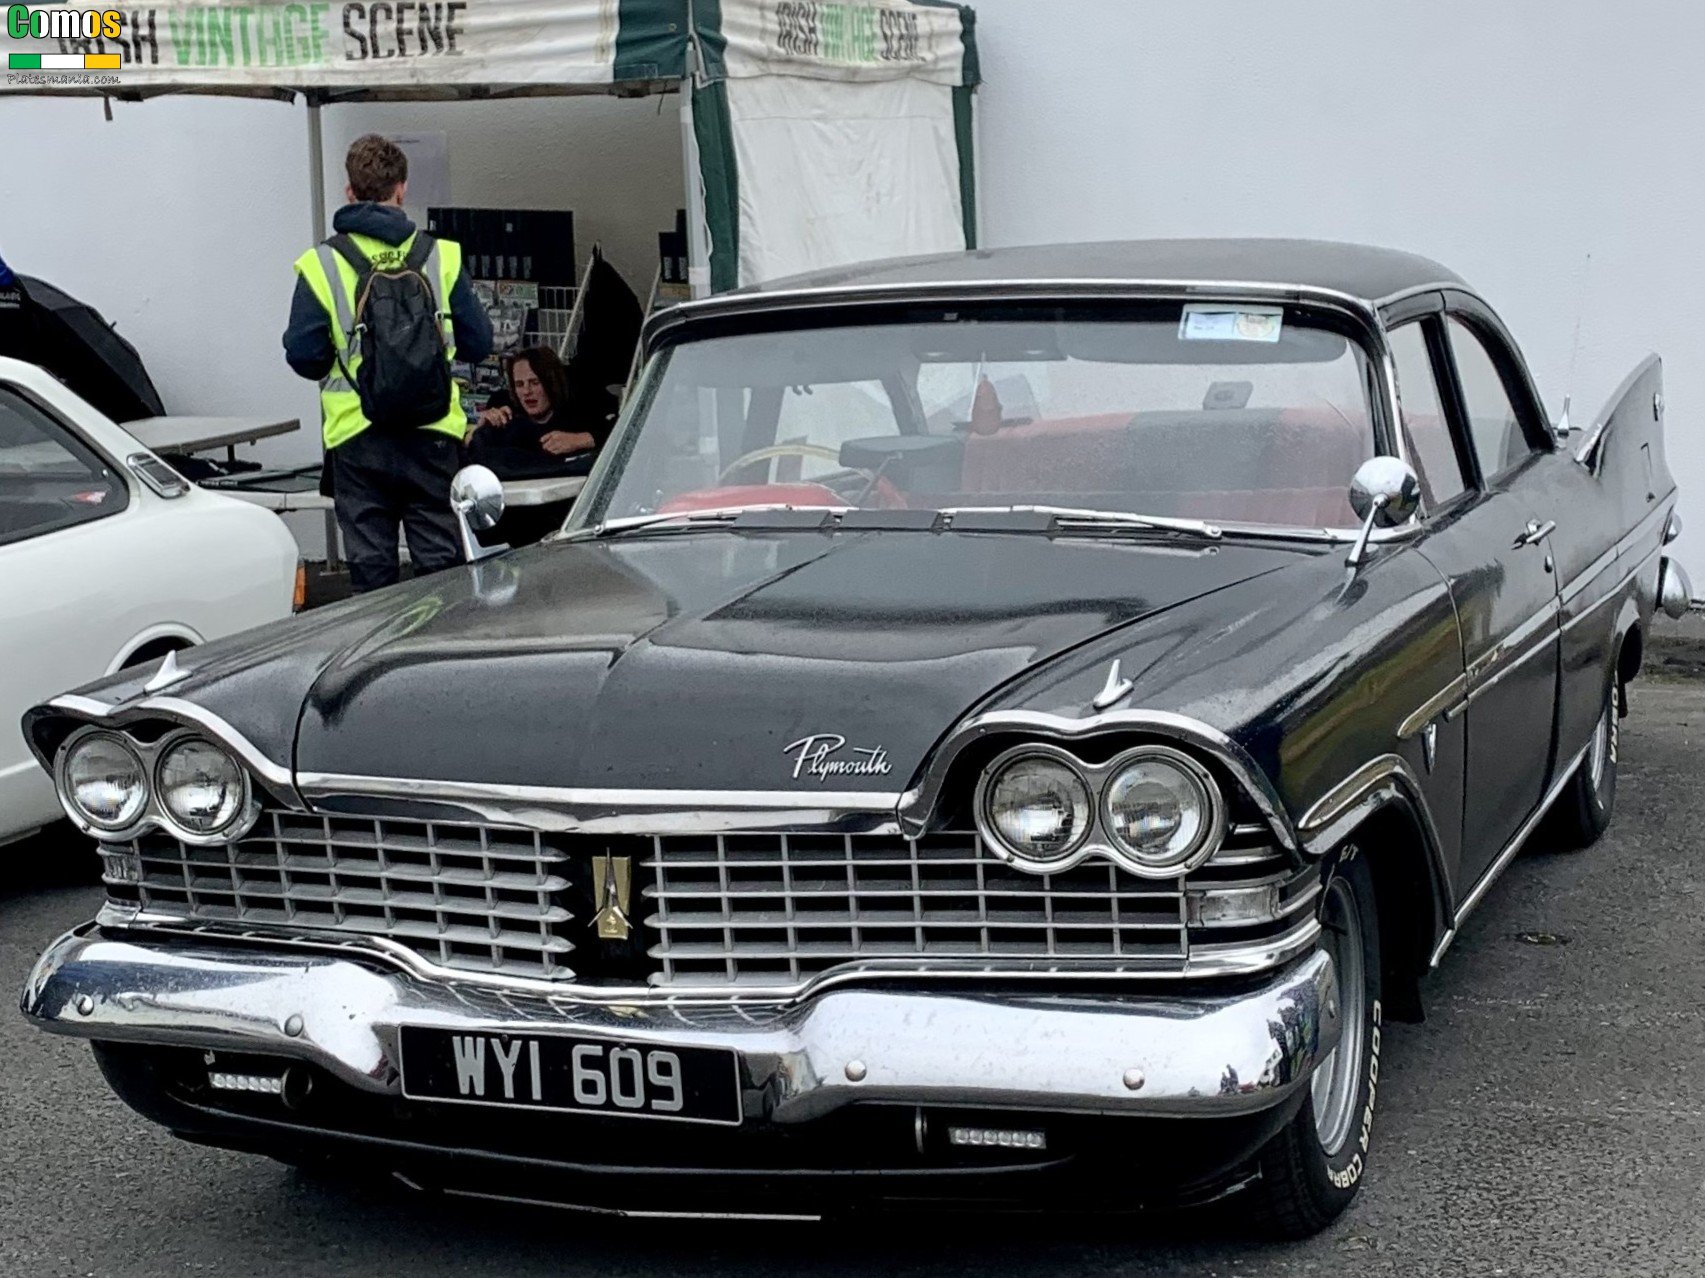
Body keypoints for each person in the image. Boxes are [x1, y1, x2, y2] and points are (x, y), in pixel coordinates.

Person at [282, 134, 493, 593]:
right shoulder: (442, 255)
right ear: (402, 189)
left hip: (358, 440)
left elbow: (304, 356)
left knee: (371, 575)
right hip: (433, 436)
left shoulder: (321, 263)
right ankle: (437, 659)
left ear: (349, 192)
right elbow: (479, 343)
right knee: (441, 570)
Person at [466, 346, 608, 480]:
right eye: (519, 385)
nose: (527, 391)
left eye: (534, 382)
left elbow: (614, 433)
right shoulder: (503, 409)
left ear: (551, 382)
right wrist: (481, 427)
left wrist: (579, 440)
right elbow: (471, 449)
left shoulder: (579, 408)